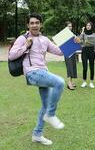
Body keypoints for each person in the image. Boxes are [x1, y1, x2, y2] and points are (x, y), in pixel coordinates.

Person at [8, 13, 65, 146]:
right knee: (59, 82)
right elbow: (11, 55)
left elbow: (59, 51)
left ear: (41, 24)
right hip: (32, 73)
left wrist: (73, 43)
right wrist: (26, 46)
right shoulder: (23, 38)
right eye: (32, 23)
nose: (34, 25)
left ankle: (37, 135)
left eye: (37, 22)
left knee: (45, 105)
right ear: (28, 25)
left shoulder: (45, 39)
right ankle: (51, 115)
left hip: (43, 73)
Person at [80, 21, 95, 88]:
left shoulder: (94, 34)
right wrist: (82, 31)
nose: (88, 26)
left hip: (91, 51)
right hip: (84, 51)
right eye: (87, 25)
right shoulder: (83, 34)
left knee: (92, 67)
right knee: (85, 67)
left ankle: (91, 82)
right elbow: (79, 39)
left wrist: (88, 42)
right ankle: (84, 82)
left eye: (89, 25)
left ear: (91, 26)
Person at [64, 21, 77, 90]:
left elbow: (76, 42)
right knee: (69, 67)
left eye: (71, 26)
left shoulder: (72, 33)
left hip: (72, 52)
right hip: (67, 52)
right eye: (68, 26)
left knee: (72, 66)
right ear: (65, 27)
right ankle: (69, 83)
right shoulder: (64, 34)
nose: (70, 27)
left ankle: (71, 81)